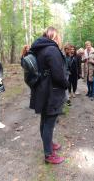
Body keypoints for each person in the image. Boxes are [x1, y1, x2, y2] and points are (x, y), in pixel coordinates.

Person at [29, 27, 69, 164]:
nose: (60, 40)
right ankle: (49, 154)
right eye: (58, 37)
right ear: (54, 36)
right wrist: (66, 84)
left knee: (45, 120)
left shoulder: (39, 48)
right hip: (52, 91)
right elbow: (58, 75)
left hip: (42, 89)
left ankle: (49, 144)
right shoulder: (52, 49)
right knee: (49, 123)